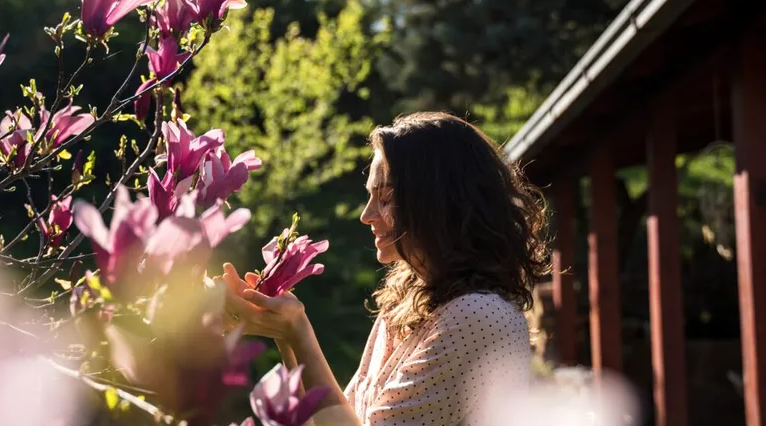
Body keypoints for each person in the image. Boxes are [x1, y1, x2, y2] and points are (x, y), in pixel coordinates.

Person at [219, 112, 550, 425]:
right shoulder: (406, 301)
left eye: (385, 197)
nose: (366, 215)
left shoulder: (479, 316)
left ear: (439, 201)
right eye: (369, 196)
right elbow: (334, 419)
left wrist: (298, 331)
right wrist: (283, 332)